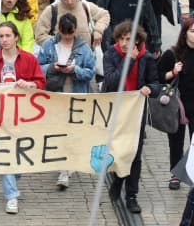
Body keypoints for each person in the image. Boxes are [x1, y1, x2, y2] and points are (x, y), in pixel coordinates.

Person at [0, 21, 45, 214]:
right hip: (1, 115)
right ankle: (11, 196)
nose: (4, 40)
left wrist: (30, 84)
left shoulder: (29, 59)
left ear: (16, 37)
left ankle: (13, 179)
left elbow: (41, 81)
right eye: (1, 36)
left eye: (8, 36)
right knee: (7, 155)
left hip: (24, 116)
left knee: (21, 157)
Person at [104, 21, 159, 214]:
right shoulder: (111, 54)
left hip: (136, 113)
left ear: (137, 40)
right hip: (115, 111)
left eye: (129, 39)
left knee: (135, 153)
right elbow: (111, 81)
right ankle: (118, 180)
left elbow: (155, 84)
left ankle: (131, 196)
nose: (125, 43)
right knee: (118, 149)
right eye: (122, 39)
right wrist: (129, 61)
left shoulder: (148, 57)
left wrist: (150, 88)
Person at [37, 13, 95, 188]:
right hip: (55, 96)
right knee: (58, 131)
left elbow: (90, 72)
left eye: (70, 33)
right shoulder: (49, 45)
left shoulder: (84, 49)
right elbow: (38, 67)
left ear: (76, 31)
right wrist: (51, 67)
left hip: (76, 96)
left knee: (72, 132)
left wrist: (74, 69)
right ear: (58, 30)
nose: (67, 36)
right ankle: (65, 165)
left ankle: (65, 170)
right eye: (64, 33)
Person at [156, 18, 194, 191]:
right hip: (177, 105)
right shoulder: (173, 54)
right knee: (176, 141)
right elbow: (157, 77)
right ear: (185, 33)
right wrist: (173, 72)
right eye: (192, 31)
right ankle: (176, 175)